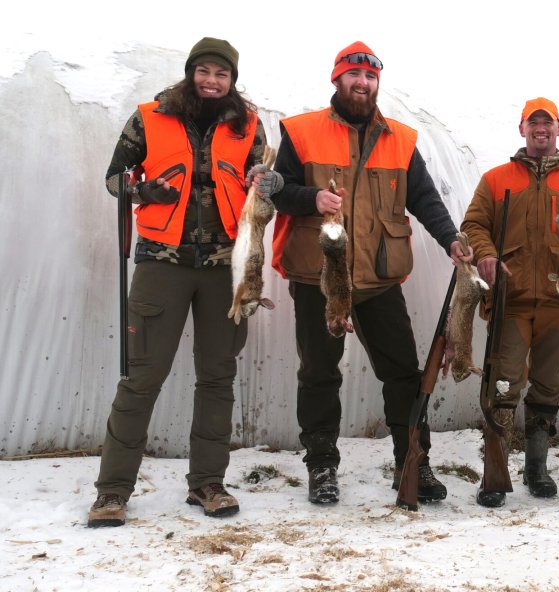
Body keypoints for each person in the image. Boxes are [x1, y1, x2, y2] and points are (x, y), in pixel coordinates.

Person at [269, 41, 465, 505]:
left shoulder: (400, 138)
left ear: (377, 83)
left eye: (370, 77)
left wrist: (452, 239)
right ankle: (321, 468)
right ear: (336, 80)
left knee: (402, 374)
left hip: (379, 280)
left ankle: (412, 463)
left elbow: (425, 200)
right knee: (319, 374)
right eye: (353, 75)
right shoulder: (301, 132)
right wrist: (310, 199)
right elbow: (279, 193)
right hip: (319, 276)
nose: (362, 83)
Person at [88, 38, 269, 527]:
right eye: (204, 71)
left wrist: (263, 181)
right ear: (190, 73)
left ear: (232, 80)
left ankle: (208, 484)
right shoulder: (150, 116)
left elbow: (264, 178)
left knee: (217, 377)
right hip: (160, 263)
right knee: (141, 379)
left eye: (222, 74)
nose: (212, 81)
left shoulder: (248, 123)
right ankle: (112, 492)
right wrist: (140, 188)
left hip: (224, 266)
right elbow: (114, 178)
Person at [461, 97, 559, 507]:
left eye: (548, 123)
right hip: (513, 299)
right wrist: (486, 253)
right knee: (504, 382)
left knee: (548, 383)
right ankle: (496, 469)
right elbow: (473, 224)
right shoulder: (496, 179)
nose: (540, 129)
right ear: (521, 129)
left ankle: (537, 468)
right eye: (533, 123)